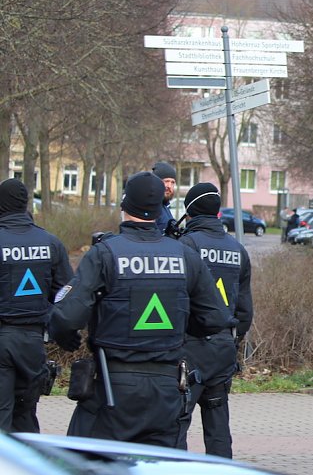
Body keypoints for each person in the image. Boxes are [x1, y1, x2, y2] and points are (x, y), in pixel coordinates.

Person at [49, 171, 229, 446]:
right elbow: (215, 317)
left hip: (113, 387)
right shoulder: (185, 255)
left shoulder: (105, 253)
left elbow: (66, 316)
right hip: (167, 389)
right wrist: (180, 328)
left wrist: (68, 340)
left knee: (86, 461)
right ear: (159, 210)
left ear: (124, 205)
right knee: (158, 465)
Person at [176, 183, 253, 458]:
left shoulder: (185, 246)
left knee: (176, 422)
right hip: (223, 348)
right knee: (218, 424)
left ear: (190, 211)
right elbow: (245, 310)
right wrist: (233, 341)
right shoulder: (238, 250)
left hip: (189, 347)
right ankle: (223, 474)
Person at [0, 178, 73, 432]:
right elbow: (66, 295)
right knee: (26, 413)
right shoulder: (51, 243)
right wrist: (60, 330)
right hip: (33, 343)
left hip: (2, 338)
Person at [152, 161, 178, 234]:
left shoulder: (165, 207)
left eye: (172, 182)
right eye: (166, 181)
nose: (169, 186)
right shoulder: (150, 207)